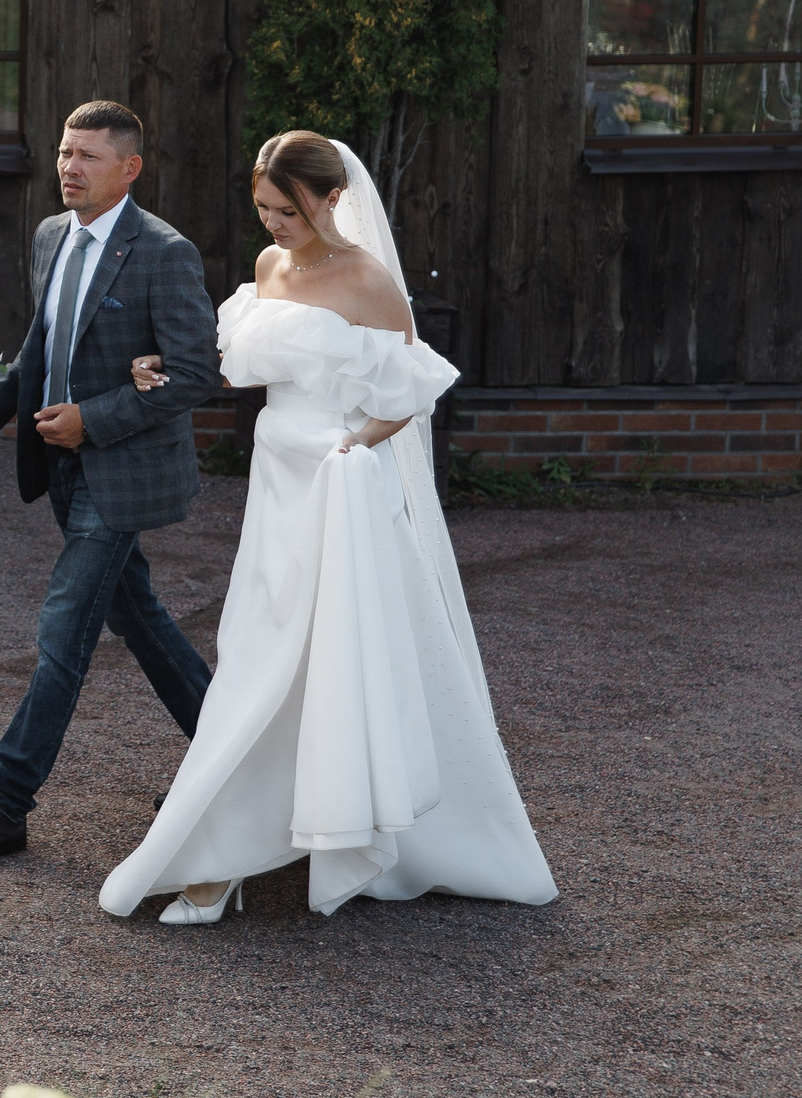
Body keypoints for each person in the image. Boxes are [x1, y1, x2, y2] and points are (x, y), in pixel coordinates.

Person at [99, 131, 558, 922]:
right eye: (265, 209)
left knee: (329, 656)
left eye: (290, 210)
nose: (276, 225)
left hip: (338, 489)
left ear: (332, 198)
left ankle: (259, 848)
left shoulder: (370, 282)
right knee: (258, 653)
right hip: (277, 488)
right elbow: (236, 360)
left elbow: (408, 392)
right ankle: (231, 846)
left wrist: (354, 447)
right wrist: (159, 368)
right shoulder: (271, 267)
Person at [0, 100, 221, 863]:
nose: (68, 167)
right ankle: (237, 759)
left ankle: (4, 803)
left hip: (122, 475)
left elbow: (193, 372)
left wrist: (94, 418)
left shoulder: (165, 253)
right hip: (59, 470)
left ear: (130, 168)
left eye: (87, 155)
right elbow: (39, 353)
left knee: (62, 633)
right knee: (142, 621)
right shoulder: (52, 236)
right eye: (63, 152)